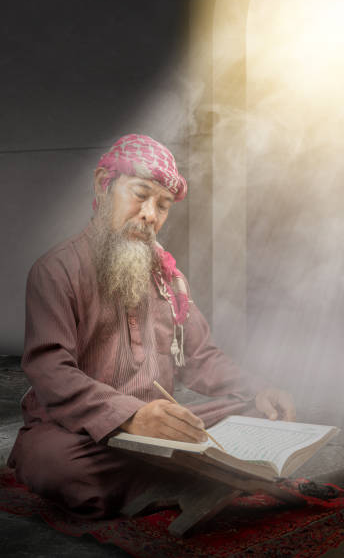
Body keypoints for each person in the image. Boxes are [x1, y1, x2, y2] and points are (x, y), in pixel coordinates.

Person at [8, 134, 295, 518]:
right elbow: (51, 371)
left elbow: (201, 357)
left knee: (258, 414)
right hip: (82, 435)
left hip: (158, 433)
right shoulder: (57, 270)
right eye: (140, 195)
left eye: (162, 205)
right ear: (103, 185)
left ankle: (166, 477)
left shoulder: (169, 277)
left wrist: (258, 390)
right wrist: (130, 416)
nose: (149, 214)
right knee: (54, 464)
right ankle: (193, 476)